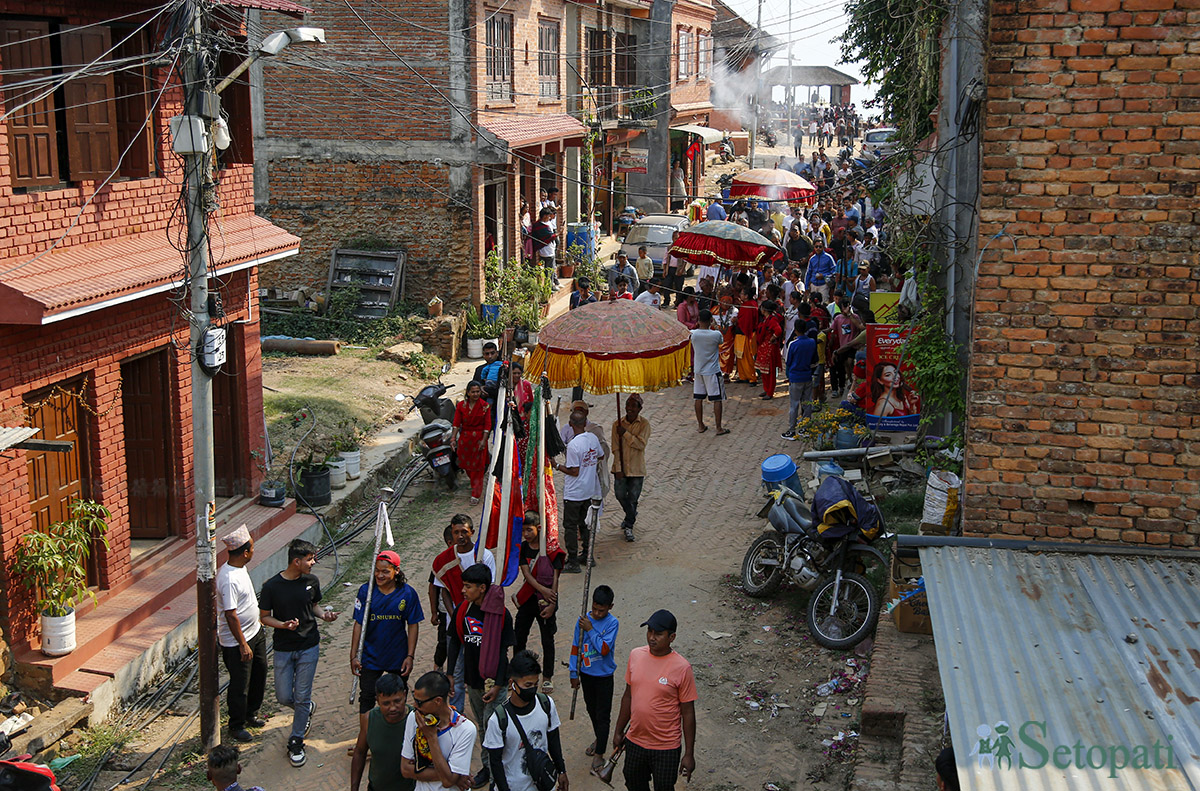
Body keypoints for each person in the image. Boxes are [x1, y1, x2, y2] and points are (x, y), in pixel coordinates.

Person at [258, 539, 338, 768]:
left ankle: (296, 741)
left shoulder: (311, 581)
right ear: (297, 561)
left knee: (302, 695)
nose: (313, 563)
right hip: (283, 648)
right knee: (284, 696)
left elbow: (313, 606)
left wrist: (324, 616)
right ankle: (305, 709)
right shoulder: (271, 587)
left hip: (309, 646)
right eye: (310, 559)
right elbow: (264, 617)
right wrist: (283, 625)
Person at [613, 610, 697, 791]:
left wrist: (689, 754)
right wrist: (619, 730)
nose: (651, 637)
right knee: (633, 783)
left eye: (658, 634)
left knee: (664, 787)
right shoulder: (635, 655)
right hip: (635, 741)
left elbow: (688, 712)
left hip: (666, 747)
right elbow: (628, 696)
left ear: (672, 637)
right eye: (649, 631)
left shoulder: (682, 668)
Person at [447, 562, 515, 773]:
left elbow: (504, 653)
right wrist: (450, 674)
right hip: (473, 680)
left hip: (495, 683)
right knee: (483, 725)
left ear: (482, 588)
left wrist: (499, 684)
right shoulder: (462, 611)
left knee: (494, 725)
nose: (463, 591)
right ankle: (490, 766)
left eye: (468, 586)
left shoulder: (501, 615)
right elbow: (454, 643)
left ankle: (495, 767)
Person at [351, 550, 424, 741]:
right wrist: (354, 655)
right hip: (370, 656)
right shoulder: (365, 592)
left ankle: (399, 737)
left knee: (398, 697)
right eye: (377, 571)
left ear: (396, 571)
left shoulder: (407, 594)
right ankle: (365, 740)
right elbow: (358, 623)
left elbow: (413, 625)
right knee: (366, 697)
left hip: (397, 656)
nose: (379, 575)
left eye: (385, 571)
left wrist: (410, 656)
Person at [432, 514, 497, 713]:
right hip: (456, 623)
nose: (460, 536)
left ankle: (487, 711)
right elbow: (443, 589)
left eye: (464, 532)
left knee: (483, 668)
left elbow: (490, 588)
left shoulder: (484, 556)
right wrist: (456, 616)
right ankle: (456, 713)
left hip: (480, 623)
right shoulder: (445, 559)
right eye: (456, 532)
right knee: (456, 672)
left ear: (472, 532)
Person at [482, 651, 568, 791]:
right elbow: (495, 762)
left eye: (535, 684)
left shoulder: (546, 704)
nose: (532, 689)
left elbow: (553, 740)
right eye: (527, 685)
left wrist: (562, 771)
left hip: (543, 784)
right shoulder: (498, 720)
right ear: (512, 684)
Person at [216, 526, 267, 744]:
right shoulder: (227, 578)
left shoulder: (240, 569)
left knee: (260, 673)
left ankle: (251, 713)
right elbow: (230, 615)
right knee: (240, 683)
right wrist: (242, 644)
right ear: (245, 552)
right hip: (238, 642)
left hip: (255, 632)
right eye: (252, 548)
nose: (254, 551)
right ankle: (236, 725)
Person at [512, 511, 564, 693]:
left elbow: (556, 578)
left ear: (539, 529)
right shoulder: (524, 549)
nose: (526, 534)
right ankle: (517, 673)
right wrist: (544, 590)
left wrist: (551, 603)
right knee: (519, 636)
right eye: (524, 531)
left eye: (529, 530)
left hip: (546, 602)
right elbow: (526, 574)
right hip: (529, 599)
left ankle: (547, 677)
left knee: (547, 639)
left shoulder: (551, 550)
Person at [570, 585, 619, 774]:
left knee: (603, 715)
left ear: (610, 607)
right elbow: (576, 646)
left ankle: (600, 753)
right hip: (586, 674)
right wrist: (574, 672)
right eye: (595, 609)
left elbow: (604, 649)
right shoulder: (582, 620)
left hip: (604, 676)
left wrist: (590, 629)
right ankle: (600, 737)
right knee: (591, 709)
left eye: (602, 610)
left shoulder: (612, 623)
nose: (597, 614)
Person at [401, 670, 477, 791]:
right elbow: (405, 769)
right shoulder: (414, 717)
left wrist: (431, 737)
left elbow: (447, 782)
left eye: (419, 702)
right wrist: (455, 777)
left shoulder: (465, 729)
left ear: (438, 701)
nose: (415, 705)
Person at [554, 410, 605, 572]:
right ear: (585, 423)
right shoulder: (592, 438)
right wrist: (588, 465)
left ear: (570, 424)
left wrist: (556, 465)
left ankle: (573, 560)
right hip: (589, 490)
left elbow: (573, 471)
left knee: (570, 526)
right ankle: (588, 555)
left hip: (574, 492)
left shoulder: (573, 445)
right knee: (585, 524)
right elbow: (601, 456)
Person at [350, 673, 416, 791]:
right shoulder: (369, 719)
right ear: (378, 700)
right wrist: (354, 788)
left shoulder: (416, 720)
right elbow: (359, 752)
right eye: (386, 703)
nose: (392, 708)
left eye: (397, 701)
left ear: (405, 695)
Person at [611, 393, 651, 542]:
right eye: (628, 405)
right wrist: (619, 468)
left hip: (636, 468)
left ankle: (629, 525)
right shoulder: (617, 424)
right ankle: (631, 514)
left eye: (633, 406)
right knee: (620, 495)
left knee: (633, 498)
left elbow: (640, 444)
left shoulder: (644, 425)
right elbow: (615, 447)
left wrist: (626, 434)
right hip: (620, 468)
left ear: (640, 408)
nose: (629, 408)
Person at [450, 380, 493, 503]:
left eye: (478, 391)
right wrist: (453, 438)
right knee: (467, 466)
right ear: (468, 393)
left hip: (479, 439)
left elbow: (487, 425)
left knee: (478, 468)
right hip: (465, 440)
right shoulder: (461, 406)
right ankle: (474, 484)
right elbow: (456, 423)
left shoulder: (485, 406)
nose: (475, 394)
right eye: (473, 392)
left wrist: (484, 440)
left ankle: (476, 492)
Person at [690, 310, 729, 435]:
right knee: (717, 399)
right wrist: (716, 326)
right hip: (712, 370)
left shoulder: (693, 334)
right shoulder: (715, 334)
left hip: (698, 370)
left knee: (698, 398)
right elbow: (722, 340)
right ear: (711, 320)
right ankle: (718, 427)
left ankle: (700, 425)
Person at [427, 525, 455, 673]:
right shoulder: (442, 561)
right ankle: (438, 667)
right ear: (450, 542)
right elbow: (432, 587)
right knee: (444, 641)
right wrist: (433, 612)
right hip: (445, 610)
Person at [783, 327, 818, 439]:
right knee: (807, 403)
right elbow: (815, 360)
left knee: (794, 404)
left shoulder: (793, 344)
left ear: (796, 331)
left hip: (796, 377)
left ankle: (792, 430)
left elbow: (788, 361)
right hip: (807, 375)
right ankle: (805, 428)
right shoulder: (812, 342)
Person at [755, 300, 783, 400]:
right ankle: (766, 389)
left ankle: (770, 392)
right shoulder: (766, 319)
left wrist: (773, 338)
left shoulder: (772, 320)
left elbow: (778, 330)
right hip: (763, 348)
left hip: (769, 349)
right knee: (763, 371)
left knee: (770, 372)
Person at [733, 283, 759, 385]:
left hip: (746, 333)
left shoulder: (748, 306)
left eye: (742, 294)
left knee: (747, 357)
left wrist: (736, 321)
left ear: (746, 296)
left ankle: (751, 377)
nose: (740, 295)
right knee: (740, 356)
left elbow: (746, 322)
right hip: (743, 333)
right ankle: (743, 376)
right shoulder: (751, 304)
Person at [530, 207, 559, 290]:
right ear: (544, 216)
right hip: (545, 251)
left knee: (552, 268)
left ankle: (552, 283)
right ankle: (549, 286)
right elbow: (549, 236)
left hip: (551, 249)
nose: (549, 218)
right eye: (548, 216)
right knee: (548, 270)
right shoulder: (539, 226)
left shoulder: (548, 223)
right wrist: (557, 233)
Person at [662, 232, 685, 309]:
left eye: (678, 238)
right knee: (667, 285)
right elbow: (665, 259)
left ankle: (677, 303)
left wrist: (682, 269)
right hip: (670, 269)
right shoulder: (669, 247)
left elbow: (686, 260)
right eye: (675, 238)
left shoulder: (682, 248)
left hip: (679, 269)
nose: (677, 240)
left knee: (679, 287)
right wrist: (664, 270)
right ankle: (666, 301)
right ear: (672, 238)